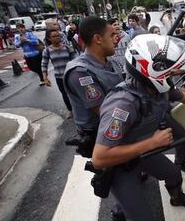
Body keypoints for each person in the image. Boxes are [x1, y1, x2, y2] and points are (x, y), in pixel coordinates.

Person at [92, 34, 185, 221]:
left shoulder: (156, 88)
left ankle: (177, 198)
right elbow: (99, 158)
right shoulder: (122, 104)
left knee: (173, 173)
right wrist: (153, 142)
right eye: (169, 72)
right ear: (152, 72)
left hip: (141, 153)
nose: (173, 75)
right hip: (119, 165)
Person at [63, 16, 125, 220]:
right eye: (112, 34)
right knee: (114, 174)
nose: (117, 38)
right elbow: (103, 110)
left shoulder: (109, 61)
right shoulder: (80, 71)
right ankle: (120, 210)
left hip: (117, 124)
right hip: (100, 132)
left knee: (126, 167)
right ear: (98, 38)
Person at [41, 29, 76, 119]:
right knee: (65, 94)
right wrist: (45, 77)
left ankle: (80, 108)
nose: (57, 38)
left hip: (71, 75)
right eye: (54, 36)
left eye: (58, 36)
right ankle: (70, 110)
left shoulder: (67, 47)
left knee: (76, 92)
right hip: (59, 77)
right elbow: (44, 64)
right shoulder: (47, 51)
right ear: (49, 38)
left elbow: (75, 60)